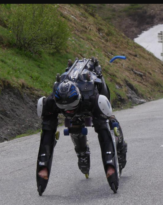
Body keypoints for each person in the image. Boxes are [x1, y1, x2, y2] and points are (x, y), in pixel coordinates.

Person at [36, 57, 127, 194]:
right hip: (77, 99)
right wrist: (43, 166)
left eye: (71, 108)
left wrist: (110, 165)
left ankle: (121, 150)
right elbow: (47, 134)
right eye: (65, 109)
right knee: (74, 125)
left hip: (94, 96)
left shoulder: (93, 98)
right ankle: (82, 153)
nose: (69, 112)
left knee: (110, 123)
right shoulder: (50, 102)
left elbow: (104, 134)